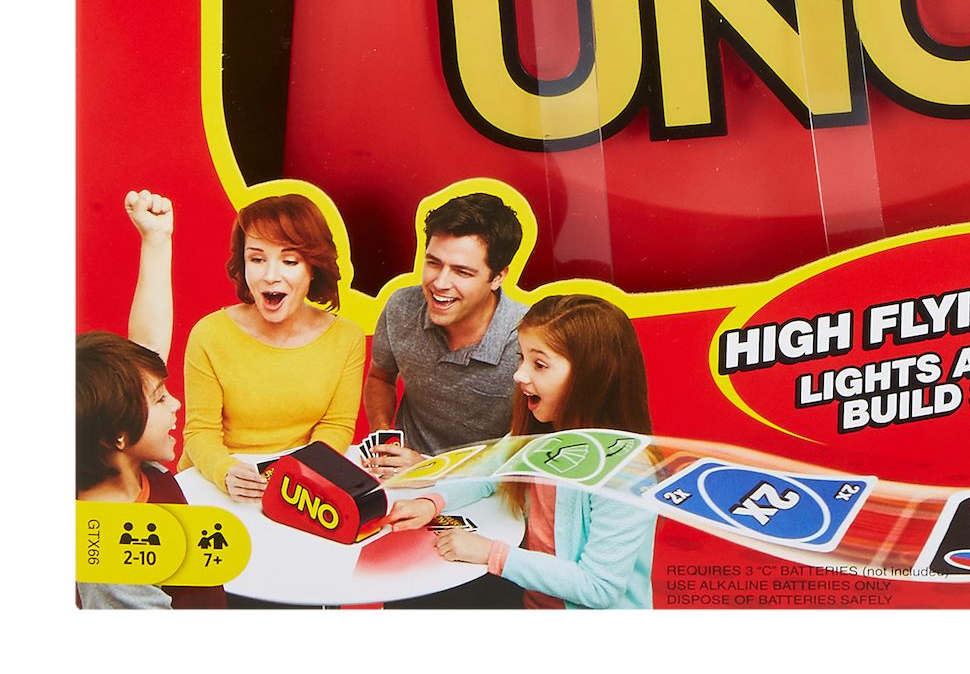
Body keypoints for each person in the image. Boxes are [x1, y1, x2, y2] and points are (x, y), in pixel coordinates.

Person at [387, 294, 655, 609]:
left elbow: (598, 587)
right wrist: (432, 502)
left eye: (539, 364)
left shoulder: (627, 471)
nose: (519, 376)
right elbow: (484, 474)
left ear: (592, 375)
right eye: (521, 358)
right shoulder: (538, 436)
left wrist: (491, 552)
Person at [77, 191, 225, 609]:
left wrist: (157, 239)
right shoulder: (110, 558)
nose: (176, 404)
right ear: (118, 435)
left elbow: (146, 353)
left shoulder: (132, 463)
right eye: (160, 400)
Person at [181, 193, 363, 501]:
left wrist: (299, 475)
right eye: (257, 259)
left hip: (300, 482)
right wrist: (226, 471)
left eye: (289, 261)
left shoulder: (346, 337)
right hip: (217, 483)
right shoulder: (209, 334)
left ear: (313, 268)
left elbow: (337, 425)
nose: (270, 276)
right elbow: (200, 432)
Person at [363, 193, 528, 479]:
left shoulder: (530, 338)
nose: (440, 283)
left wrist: (432, 471)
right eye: (434, 263)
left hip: (488, 485)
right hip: (401, 477)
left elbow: (534, 448)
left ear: (498, 277)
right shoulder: (401, 307)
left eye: (462, 272)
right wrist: (384, 436)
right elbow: (380, 378)